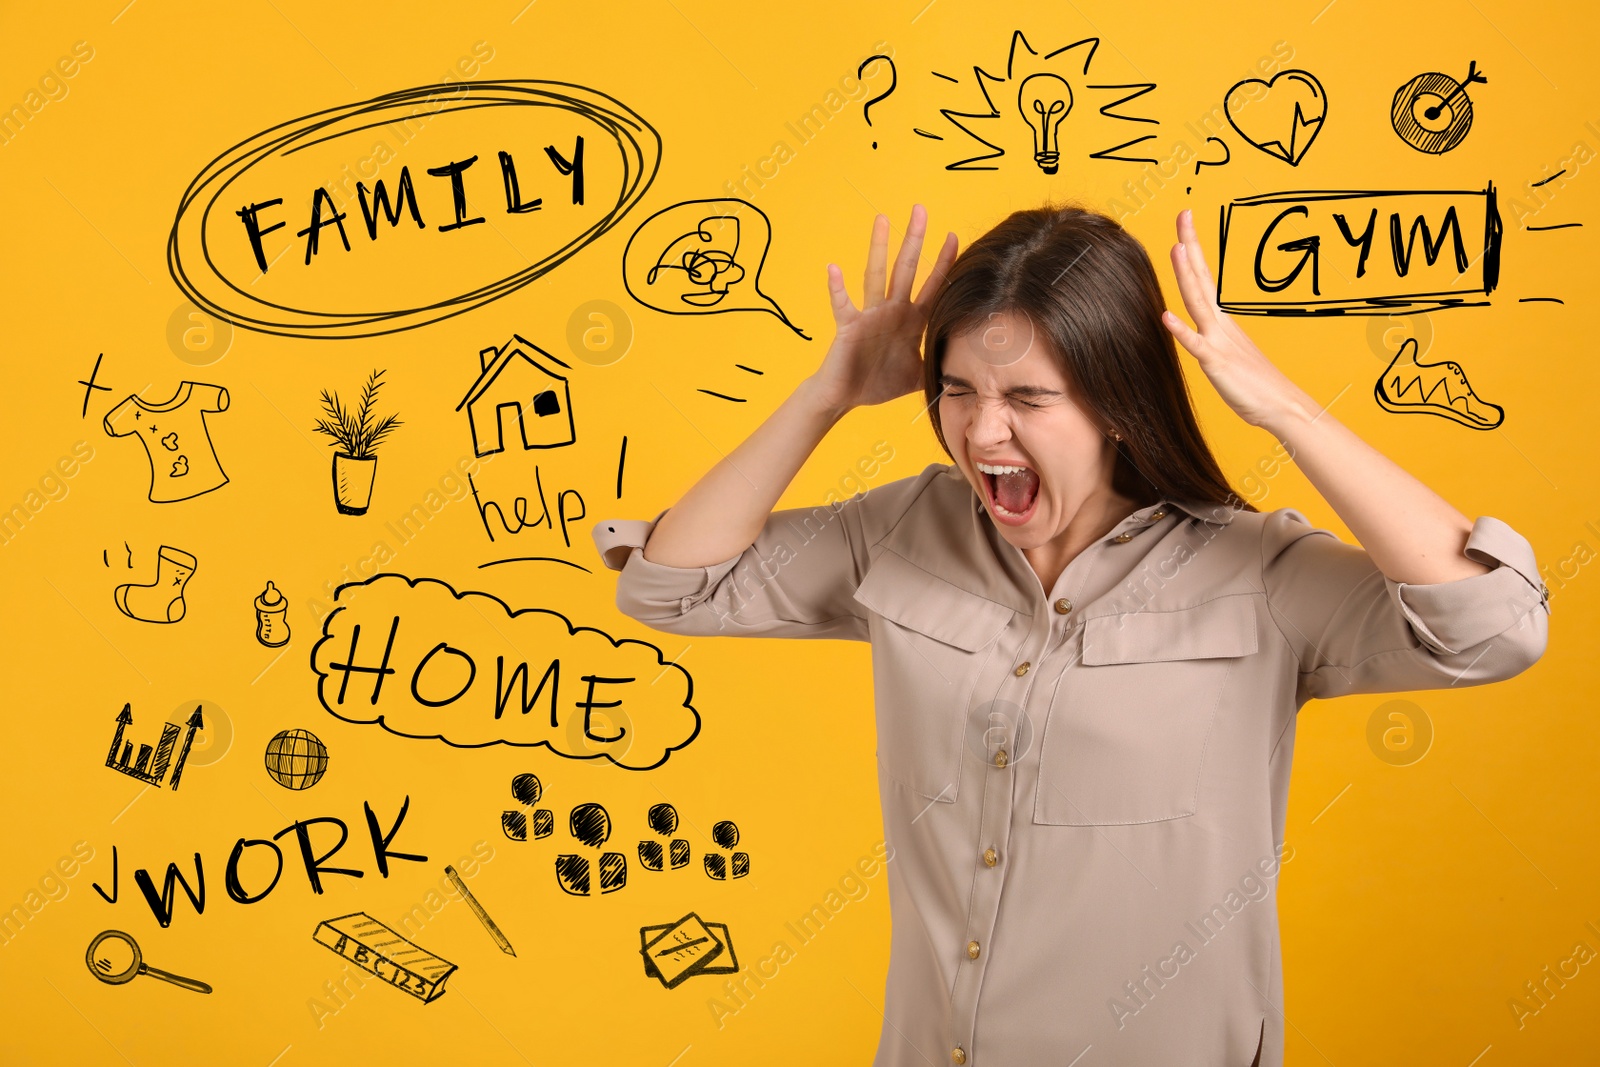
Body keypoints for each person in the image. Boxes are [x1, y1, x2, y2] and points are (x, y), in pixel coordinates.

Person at [591, 203, 1550, 1066]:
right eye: (958, 390)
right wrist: (825, 395)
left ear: (1117, 406)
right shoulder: (900, 531)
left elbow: (1494, 630)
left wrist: (1287, 410)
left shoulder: (1257, 575)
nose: (980, 430)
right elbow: (673, 587)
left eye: (1028, 398)